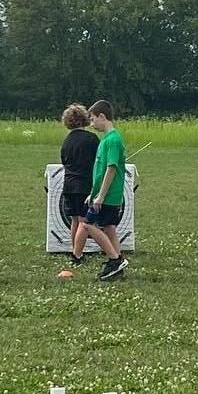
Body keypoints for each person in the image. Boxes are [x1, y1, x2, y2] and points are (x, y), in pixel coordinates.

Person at [84, 99, 129, 281]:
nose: (92, 124)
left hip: (109, 195)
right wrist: (93, 193)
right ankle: (118, 264)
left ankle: (114, 259)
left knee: (87, 224)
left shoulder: (113, 140)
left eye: (93, 119)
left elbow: (111, 168)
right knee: (109, 228)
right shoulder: (106, 140)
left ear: (102, 116)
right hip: (102, 194)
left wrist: (101, 196)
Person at [59, 103, 99, 267]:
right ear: (84, 119)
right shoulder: (91, 139)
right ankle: (77, 255)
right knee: (85, 222)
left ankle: (75, 249)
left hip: (68, 185)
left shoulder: (66, 141)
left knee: (75, 220)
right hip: (84, 185)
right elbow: (98, 161)